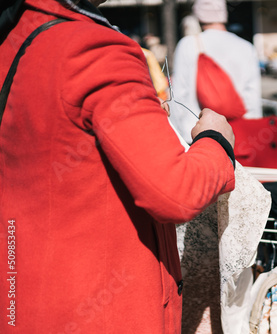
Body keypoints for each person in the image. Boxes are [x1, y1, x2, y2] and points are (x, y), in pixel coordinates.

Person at [0, 0, 236, 333]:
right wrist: (216, 141)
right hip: (101, 309)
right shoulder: (95, 49)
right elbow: (176, 192)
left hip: (23, 297)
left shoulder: (17, 38)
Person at [170, 0, 263, 144]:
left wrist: (180, 136)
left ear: (198, 17)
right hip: (239, 135)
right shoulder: (246, 47)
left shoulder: (188, 44)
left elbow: (179, 94)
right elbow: (253, 97)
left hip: (198, 135)